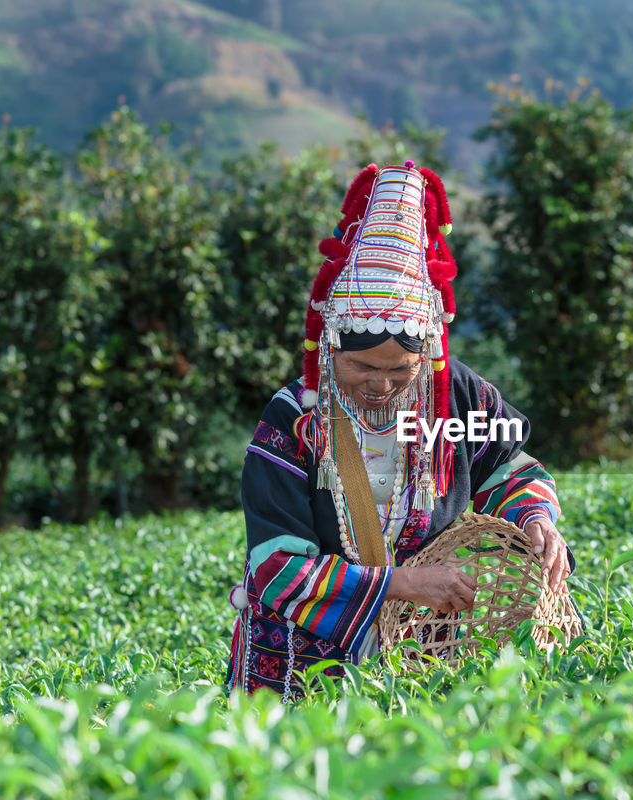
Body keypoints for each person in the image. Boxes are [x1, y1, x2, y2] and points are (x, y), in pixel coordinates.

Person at [228, 161, 570, 699]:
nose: (380, 386)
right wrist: (403, 584)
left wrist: (535, 517)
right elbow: (276, 567)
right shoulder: (293, 422)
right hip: (299, 665)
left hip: (424, 654)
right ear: (330, 346)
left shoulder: (455, 398)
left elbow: (509, 470)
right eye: (362, 368)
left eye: (399, 371)